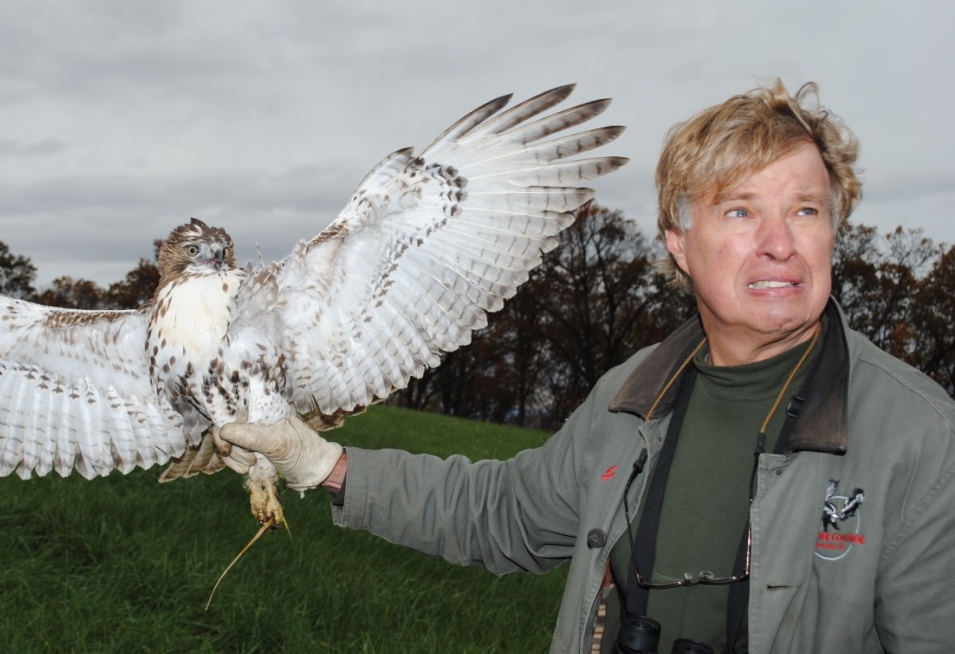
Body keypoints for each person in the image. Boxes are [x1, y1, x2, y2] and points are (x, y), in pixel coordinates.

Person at [218, 81, 955, 653]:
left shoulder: (917, 438)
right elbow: (505, 512)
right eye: (738, 212)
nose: (779, 243)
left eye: (806, 211)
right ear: (678, 243)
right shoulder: (631, 399)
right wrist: (323, 465)